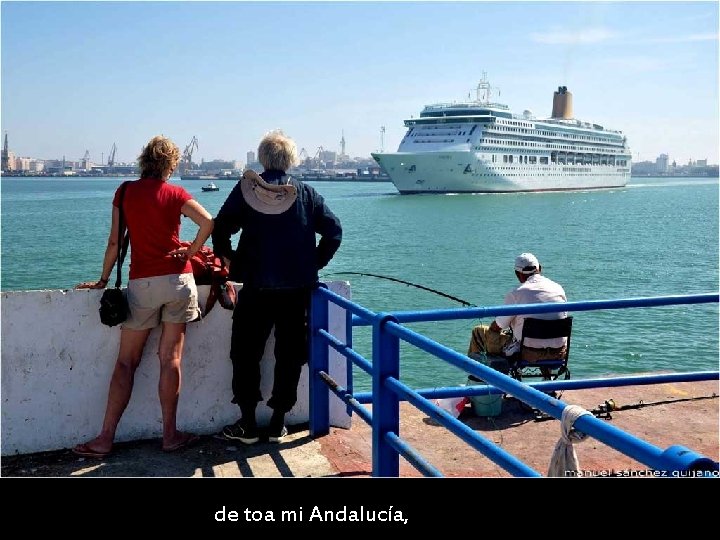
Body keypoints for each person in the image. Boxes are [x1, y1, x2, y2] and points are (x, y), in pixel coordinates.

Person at [72, 135, 214, 457]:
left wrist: (103, 279)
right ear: (170, 164)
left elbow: (114, 243)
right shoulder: (176, 193)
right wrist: (189, 252)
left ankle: (105, 438)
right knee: (171, 359)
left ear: (143, 161)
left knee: (126, 362)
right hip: (179, 282)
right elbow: (208, 222)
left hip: (143, 285)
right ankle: (170, 436)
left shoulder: (124, 192)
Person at [212, 129, 342, 444]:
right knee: (290, 356)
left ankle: (246, 424)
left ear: (262, 157)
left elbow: (221, 230)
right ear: (290, 160)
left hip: (255, 288)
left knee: (244, 354)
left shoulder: (246, 190)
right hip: (297, 291)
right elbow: (334, 231)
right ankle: (278, 423)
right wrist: (314, 263)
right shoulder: (307, 194)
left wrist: (233, 262)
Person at [468, 252, 568, 363]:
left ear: (518, 274)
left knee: (478, 332)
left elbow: (498, 327)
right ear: (540, 268)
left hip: (528, 354)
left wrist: (495, 324)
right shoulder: (558, 289)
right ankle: (548, 376)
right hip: (559, 353)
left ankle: (480, 378)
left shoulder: (516, 294)